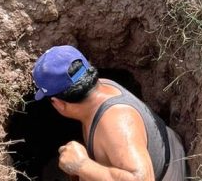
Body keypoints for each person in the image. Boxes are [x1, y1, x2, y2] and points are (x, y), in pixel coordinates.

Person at [32, 45, 188, 180]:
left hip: (168, 173)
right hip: (161, 153)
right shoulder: (100, 86)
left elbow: (144, 179)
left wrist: (82, 165)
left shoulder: (115, 123)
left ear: (58, 104)